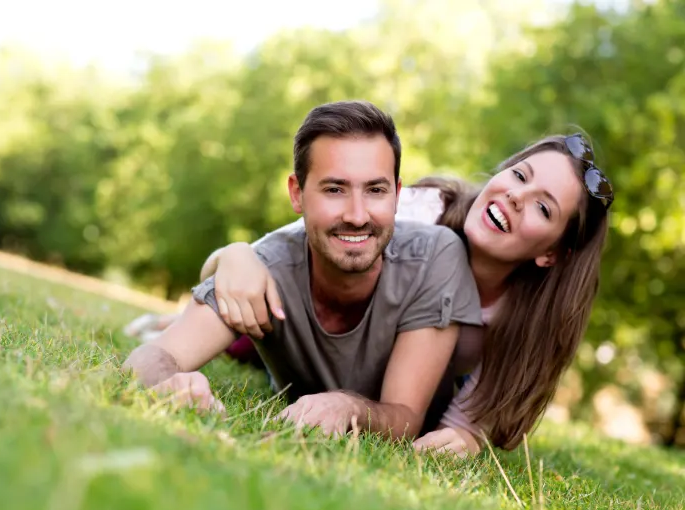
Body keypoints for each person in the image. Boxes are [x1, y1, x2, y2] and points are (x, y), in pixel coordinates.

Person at [128, 130, 614, 456]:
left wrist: (465, 436)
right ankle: (173, 323)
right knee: (251, 323)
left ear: (552, 253)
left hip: (400, 382)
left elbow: (480, 404)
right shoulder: (422, 213)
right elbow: (292, 248)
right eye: (519, 176)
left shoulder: (524, 316)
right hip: (333, 329)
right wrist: (232, 254)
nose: (515, 196)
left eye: (543, 209)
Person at [121, 100, 483, 440]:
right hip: (282, 331)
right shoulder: (265, 266)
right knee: (243, 340)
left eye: (375, 190)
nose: (357, 216)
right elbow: (151, 358)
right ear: (297, 193)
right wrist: (169, 383)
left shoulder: (436, 255)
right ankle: (172, 320)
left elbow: (405, 415)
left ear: (397, 194)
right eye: (335, 189)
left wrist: (349, 408)